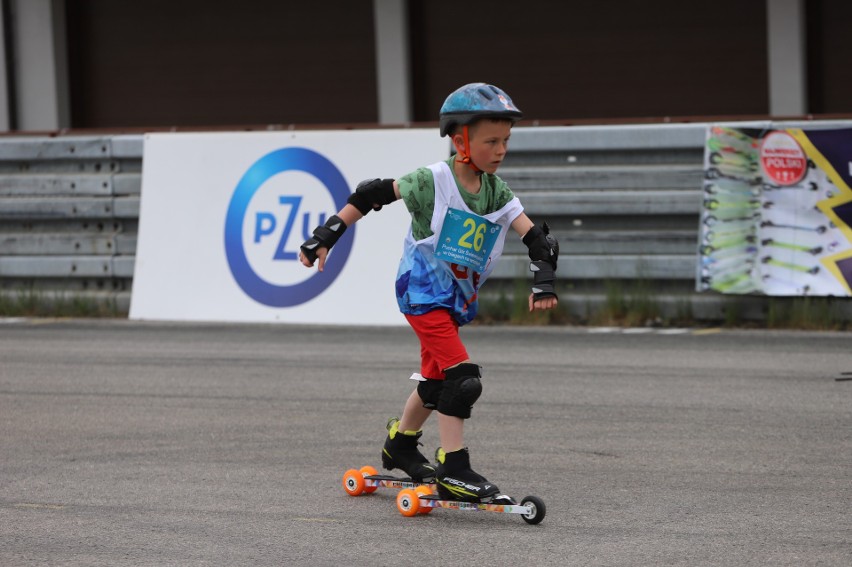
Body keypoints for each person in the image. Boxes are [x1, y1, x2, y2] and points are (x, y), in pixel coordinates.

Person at [299, 83, 559, 503]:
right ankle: (454, 466)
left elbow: (539, 241)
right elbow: (370, 194)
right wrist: (324, 236)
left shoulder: (497, 192)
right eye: (491, 141)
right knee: (463, 380)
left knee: (436, 383)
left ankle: (400, 444)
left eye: (506, 141)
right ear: (460, 141)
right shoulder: (431, 182)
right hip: (422, 296)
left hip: (455, 300)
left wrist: (543, 278)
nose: (501, 150)